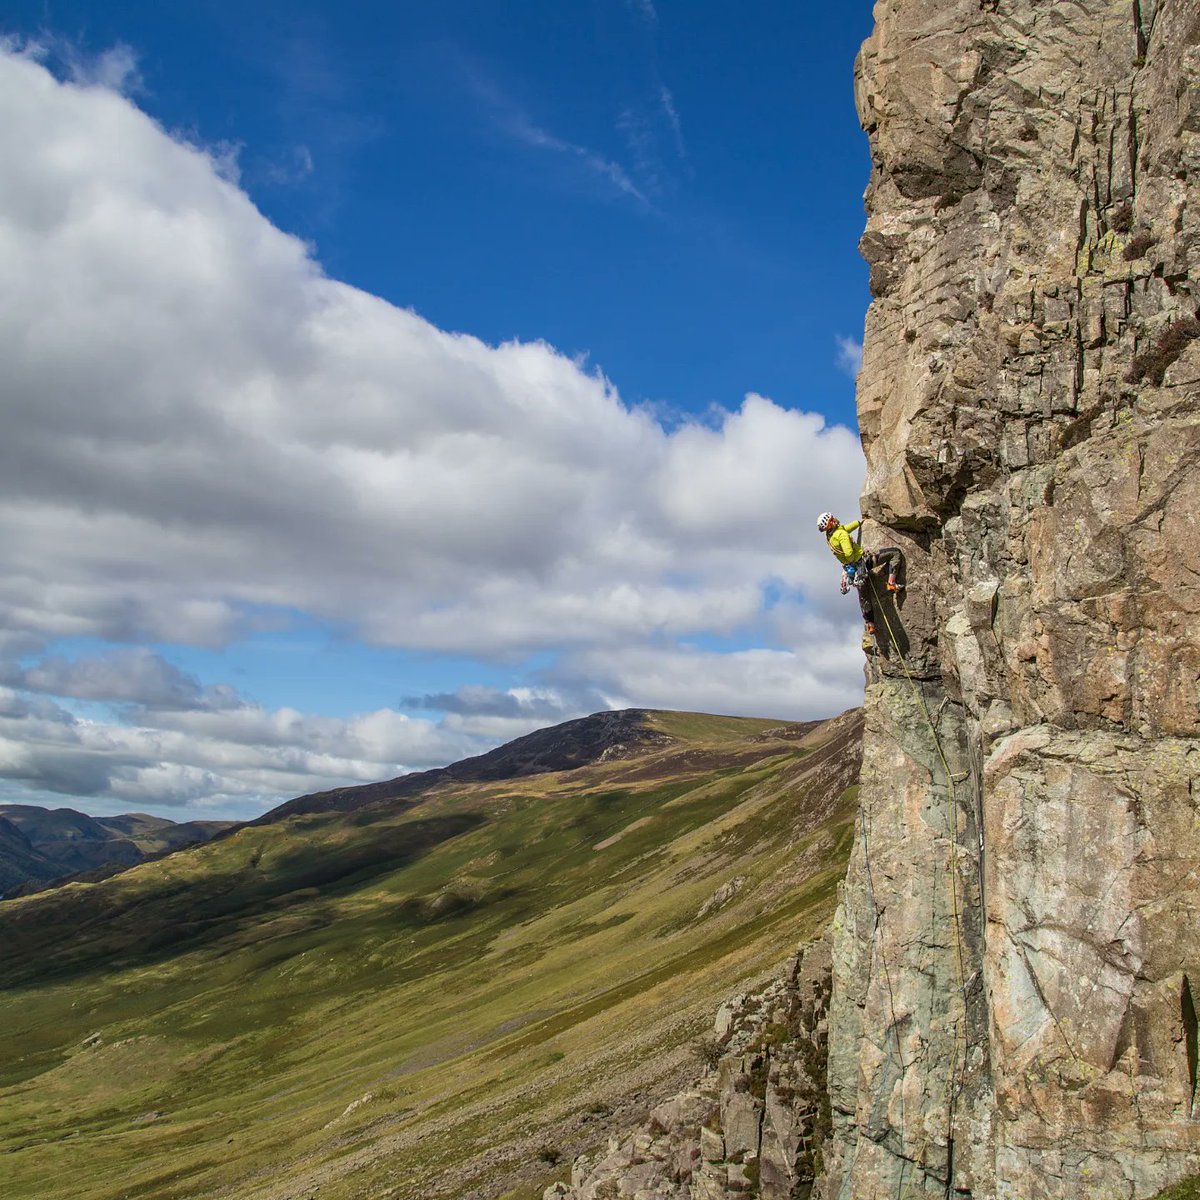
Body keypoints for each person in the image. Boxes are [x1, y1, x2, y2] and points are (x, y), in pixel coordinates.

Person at [816, 513, 903, 648]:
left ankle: (871, 624)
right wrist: (857, 559)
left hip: (851, 568)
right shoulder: (841, 535)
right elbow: (849, 552)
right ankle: (891, 583)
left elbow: (845, 528)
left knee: (864, 597)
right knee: (895, 553)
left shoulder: (830, 537)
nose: (835, 519)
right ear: (830, 522)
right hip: (863, 562)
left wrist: (858, 522)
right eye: (832, 519)